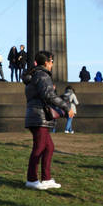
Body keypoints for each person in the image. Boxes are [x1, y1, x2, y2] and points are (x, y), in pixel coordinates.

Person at [22, 50, 66, 191]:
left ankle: (46, 179)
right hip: (39, 116)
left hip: (36, 115)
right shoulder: (42, 75)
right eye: (51, 61)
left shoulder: (35, 75)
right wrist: (66, 106)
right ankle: (32, 179)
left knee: (48, 147)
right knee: (40, 147)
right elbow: (48, 95)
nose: (52, 64)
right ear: (46, 62)